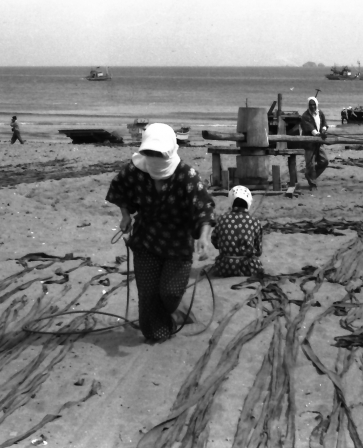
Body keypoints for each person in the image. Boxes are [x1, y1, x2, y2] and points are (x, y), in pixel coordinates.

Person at [105, 123, 216, 342]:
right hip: (146, 239)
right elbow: (119, 188)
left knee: (170, 292)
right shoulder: (134, 170)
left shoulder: (186, 175)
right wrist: (125, 215)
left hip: (177, 243)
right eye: (151, 153)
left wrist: (203, 237)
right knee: (148, 294)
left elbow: (204, 207)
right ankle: (158, 330)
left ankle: (177, 310)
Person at [210, 186, 263, 277]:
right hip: (248, 268)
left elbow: (214, 241)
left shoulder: (222, 219)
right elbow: (258, 250)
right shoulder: (254, 222)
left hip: (224, 267)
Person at [300, 96, 329, 191]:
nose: (312, 106)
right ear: (308, 105)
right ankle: (312, 184)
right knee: (310, 164)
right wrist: (318, 134)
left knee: (324, 161)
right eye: (310, 105)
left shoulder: (320, 113)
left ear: (316, 104)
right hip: (309, 143)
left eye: (314, 104)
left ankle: (310, 176)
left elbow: (324, 124)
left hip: (319, 143)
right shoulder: (305, 116)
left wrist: (324, 130)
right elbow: (310, 128)